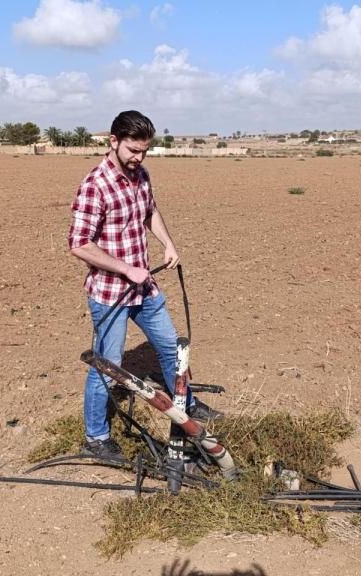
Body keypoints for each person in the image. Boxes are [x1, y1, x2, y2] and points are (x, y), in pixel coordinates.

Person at [68, 110, 221, 460]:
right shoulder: (96, 185)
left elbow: (149, 210)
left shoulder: (141, 175)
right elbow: (79, 243)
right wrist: (125, 269)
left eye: (144, 151)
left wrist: (168, 243)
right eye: (133, 150)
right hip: (110, 294)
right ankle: (95, 439)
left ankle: (189, 406)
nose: (139, 158)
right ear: (114, 141)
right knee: (109, 366)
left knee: (172, 349)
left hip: (144, 288)